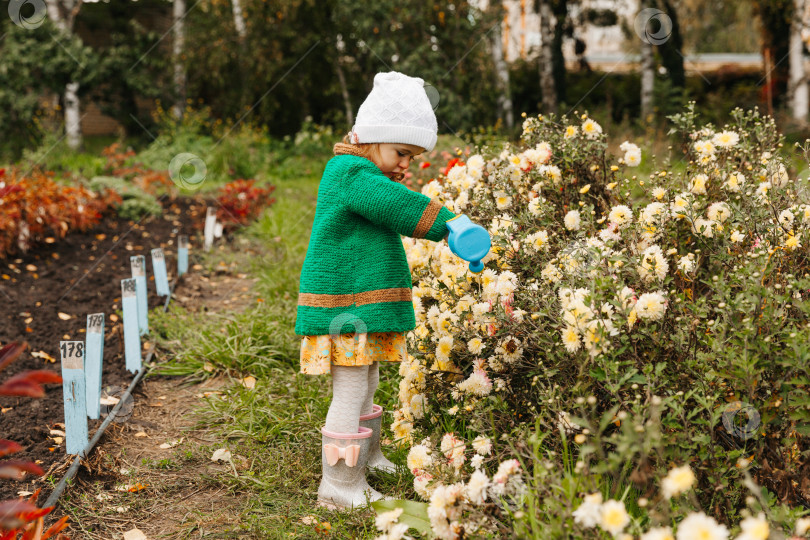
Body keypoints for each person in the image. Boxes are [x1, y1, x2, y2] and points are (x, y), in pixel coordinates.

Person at [294, 71, 477, 510]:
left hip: (358, 307)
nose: (405, 165)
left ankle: (369, 456)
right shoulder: (350, 171)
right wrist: (450, 224)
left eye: (412, 157)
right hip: (344, 307)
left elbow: (389, 196)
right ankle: (338, 483)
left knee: (368, 378)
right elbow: (394, 203)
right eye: (401, 151)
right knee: (352, 389)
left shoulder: (358, 169)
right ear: (372, 138)